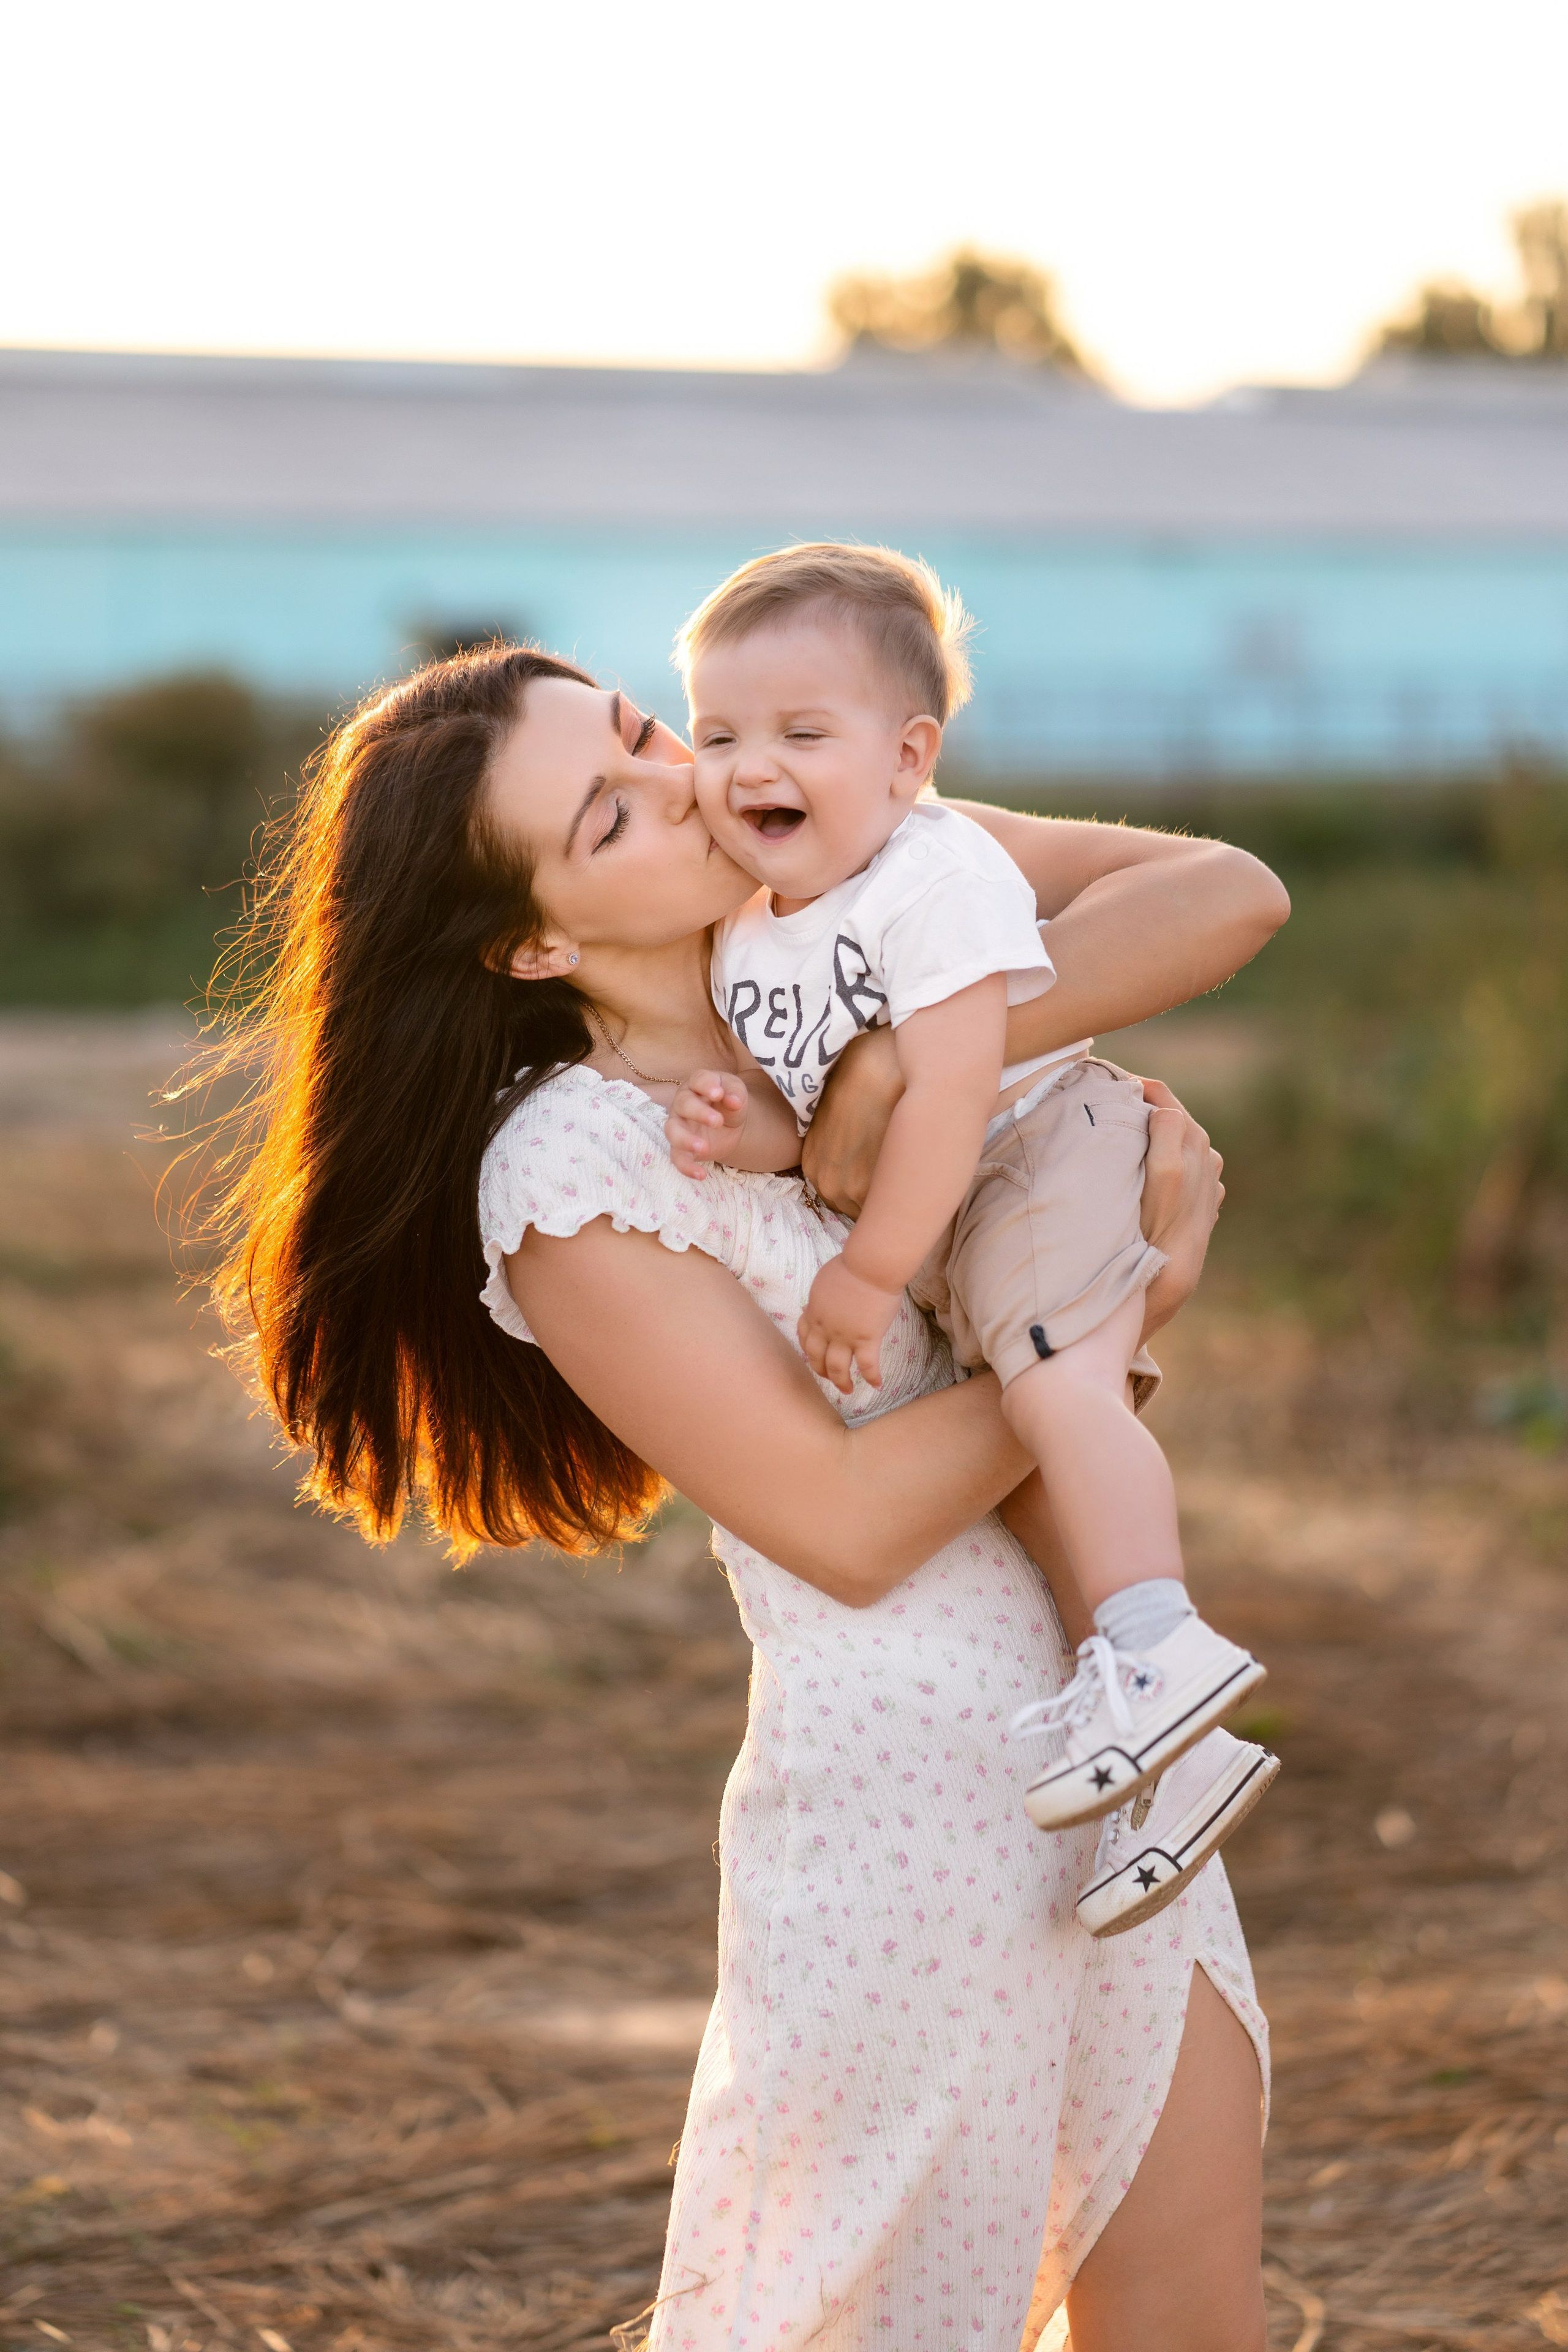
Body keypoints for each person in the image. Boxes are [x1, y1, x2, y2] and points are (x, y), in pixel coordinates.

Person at [209, 643, 1289, 2351]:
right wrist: (1111, 1308)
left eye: (647, 734)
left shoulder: (858, 878)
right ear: (535, 943)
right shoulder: (572, 1169)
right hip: (911, 1821)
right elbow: (846, 1524)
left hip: (1120, 1740)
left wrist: (902, 1069)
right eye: (610, 813)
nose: (684, 787)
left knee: (1193, 2325)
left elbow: (1222, 892)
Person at [664, 544, 1277, 1933]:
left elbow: (939, 1087)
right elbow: (821, 1101)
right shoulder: (755, 930)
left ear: (907, 756)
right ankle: (1170, 1766)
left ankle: (1158, 1640)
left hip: (1030, 1151)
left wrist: (872, 1267)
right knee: (1021, 1467)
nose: (748, 763)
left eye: (800, 734)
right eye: (716, 734)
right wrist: (739, 1125)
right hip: (957, 1200)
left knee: (1058, 1390)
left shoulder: (929, 872)